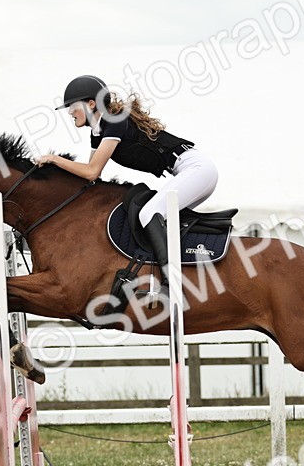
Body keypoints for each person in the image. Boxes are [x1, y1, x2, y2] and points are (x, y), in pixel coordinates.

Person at [35, 75, 219, 302]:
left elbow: (92, 171)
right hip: (188, 172)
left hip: (197, 169)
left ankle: (172, 284)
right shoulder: (98, 131)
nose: (70, 113)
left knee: (150, 213)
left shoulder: (114, 121)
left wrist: (54, 159)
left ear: (91, 104)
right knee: (160, 219)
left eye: (73, 107)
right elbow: (91, 176)